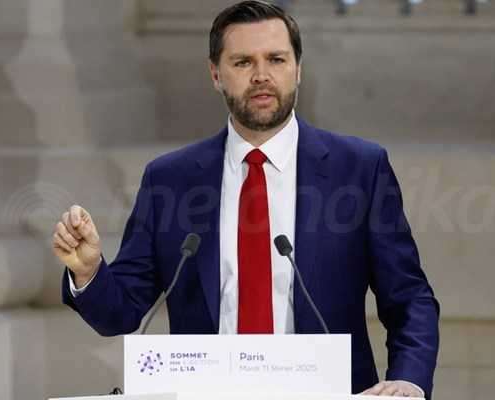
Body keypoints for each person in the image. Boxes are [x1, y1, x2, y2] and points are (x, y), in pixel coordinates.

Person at [52, 1, 439, 398]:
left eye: (276, 59)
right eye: (242, 62)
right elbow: (120, 313)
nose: (261, 76)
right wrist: (89, 272)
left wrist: (408, 381)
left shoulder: (358, 169)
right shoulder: (169, 179)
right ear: (215, 74)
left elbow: (409, 297)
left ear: (298, 69)